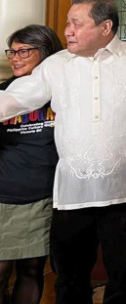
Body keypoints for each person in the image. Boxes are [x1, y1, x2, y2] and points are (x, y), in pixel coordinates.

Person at [0, 0, 126, 303]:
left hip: (125, 192)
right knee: (70, 280)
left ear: (105, 26)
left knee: (123, 278)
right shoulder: (55, 66)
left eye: (76, 23)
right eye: (68, 23)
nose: (67, 30)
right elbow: (13, 99)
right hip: (72, 195)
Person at [0, 25, 62, 304]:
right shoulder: (4, 95)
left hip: (43, 197)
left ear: (45, 52)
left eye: (24, 50)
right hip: (4, 196)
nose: (15, 57)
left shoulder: (60, 96)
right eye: (12, 51)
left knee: (31, 269)